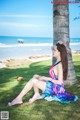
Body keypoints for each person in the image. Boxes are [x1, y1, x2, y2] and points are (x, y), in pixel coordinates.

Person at [8, 41, 78, 106]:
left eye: (54, 50)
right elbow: (54, 47)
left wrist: (45, 78)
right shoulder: (58, 61)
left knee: (33, 81)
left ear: (59, 52)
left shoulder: (60, 64)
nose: (52, 51)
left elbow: (60, 82)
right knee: (35, 76)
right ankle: (36, 94)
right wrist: (58, 43)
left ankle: (19, 99)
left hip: (56, 89)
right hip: (53, 85)